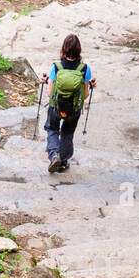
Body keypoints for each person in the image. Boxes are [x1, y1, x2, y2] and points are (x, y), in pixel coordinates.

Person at [42, 34, 94, 174]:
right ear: (79, 50)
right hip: (74, 109)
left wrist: (47, 81)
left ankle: (54, 155)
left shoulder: (57, 67)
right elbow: (85, 95)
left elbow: (49, 92)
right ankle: (63, 162)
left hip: (56, 107)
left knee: (52, 128)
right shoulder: (84, 69)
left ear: (63, 49)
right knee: (67, 133)